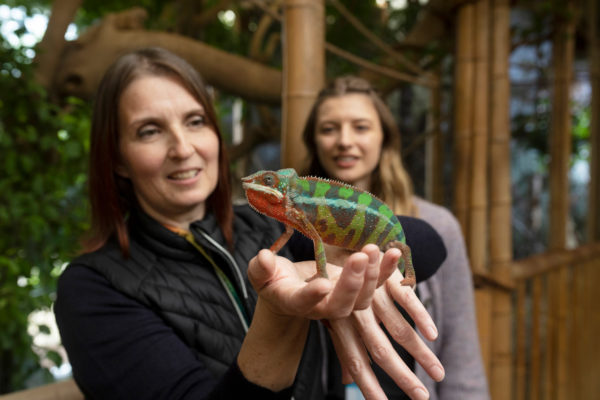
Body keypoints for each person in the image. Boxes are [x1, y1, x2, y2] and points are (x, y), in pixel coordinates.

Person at [53, 48, 448, 400]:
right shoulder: (92, 288)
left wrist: (357, 264)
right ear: (118, 158)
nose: (183, 148)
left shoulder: (258, 229)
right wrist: (279, 315)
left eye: (195, 121)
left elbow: (427, 240)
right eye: (150, 131)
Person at [301, 75, 490, 399]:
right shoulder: (299, 226)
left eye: (361, 127)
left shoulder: (436, 225)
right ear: (315, 141)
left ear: (384, 139)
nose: (345, 141)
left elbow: (460, 350)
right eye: (329, 128)